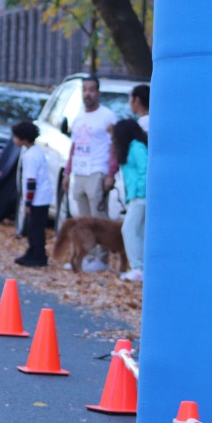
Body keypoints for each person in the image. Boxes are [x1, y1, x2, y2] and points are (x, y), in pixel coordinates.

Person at [61, 76, 118, 272]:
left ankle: (101, 259)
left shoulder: (107, 116)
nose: (88, 93)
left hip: (97, 169)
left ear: (98, 93)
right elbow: (74, 147)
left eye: (92, 89)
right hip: (80, 170)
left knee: (98, 219)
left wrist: (110, 173)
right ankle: (85, 255)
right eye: (85, 90)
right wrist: (67, 172)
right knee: (83, 220)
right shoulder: (78, 117)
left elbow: (113, 147)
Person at [112, 119, 148, 282]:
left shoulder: (135, 147)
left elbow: (145, 169)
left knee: (129, 229)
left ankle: (138, 268)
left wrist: (139, 191)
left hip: (140, 196)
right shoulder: (134, 147)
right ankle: (139, 267)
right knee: (137, 231)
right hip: (137, 196)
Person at [12, 121, 52, 267]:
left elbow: (31, 180)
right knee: (32, 227)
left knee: (36, 228)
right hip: (42, 196)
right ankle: (32, 251)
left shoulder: (30, 156)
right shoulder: (36, 151)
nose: (13, 139)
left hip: (37, 198)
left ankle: (38, 255)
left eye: (15, 137)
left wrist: (28, 202)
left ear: (23, 138)